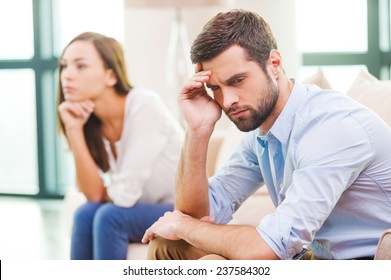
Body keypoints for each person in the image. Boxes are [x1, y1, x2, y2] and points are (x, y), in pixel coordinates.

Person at [142, 9, 391, 260]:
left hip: (366, 262)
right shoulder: (262, 132)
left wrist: (185, 226)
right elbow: (195, 215)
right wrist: (197, 130)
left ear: (274, 64)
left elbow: (267, 250)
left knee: (209, 260)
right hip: (314, 257)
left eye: (237, 80)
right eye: (215, 87)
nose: (227, 101)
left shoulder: (330, 128)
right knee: (169, 245)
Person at [57, 32, 184, 260]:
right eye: (64, 66)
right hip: (141, 207)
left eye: (80, 66)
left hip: (182, 208)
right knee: (85, 213)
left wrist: (110, 192)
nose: (67, 76)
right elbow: (93, 195)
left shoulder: (145, 105)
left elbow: (124, 197)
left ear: (111, 76)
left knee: (110, 217)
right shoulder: (91, 120)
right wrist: (74, 130)